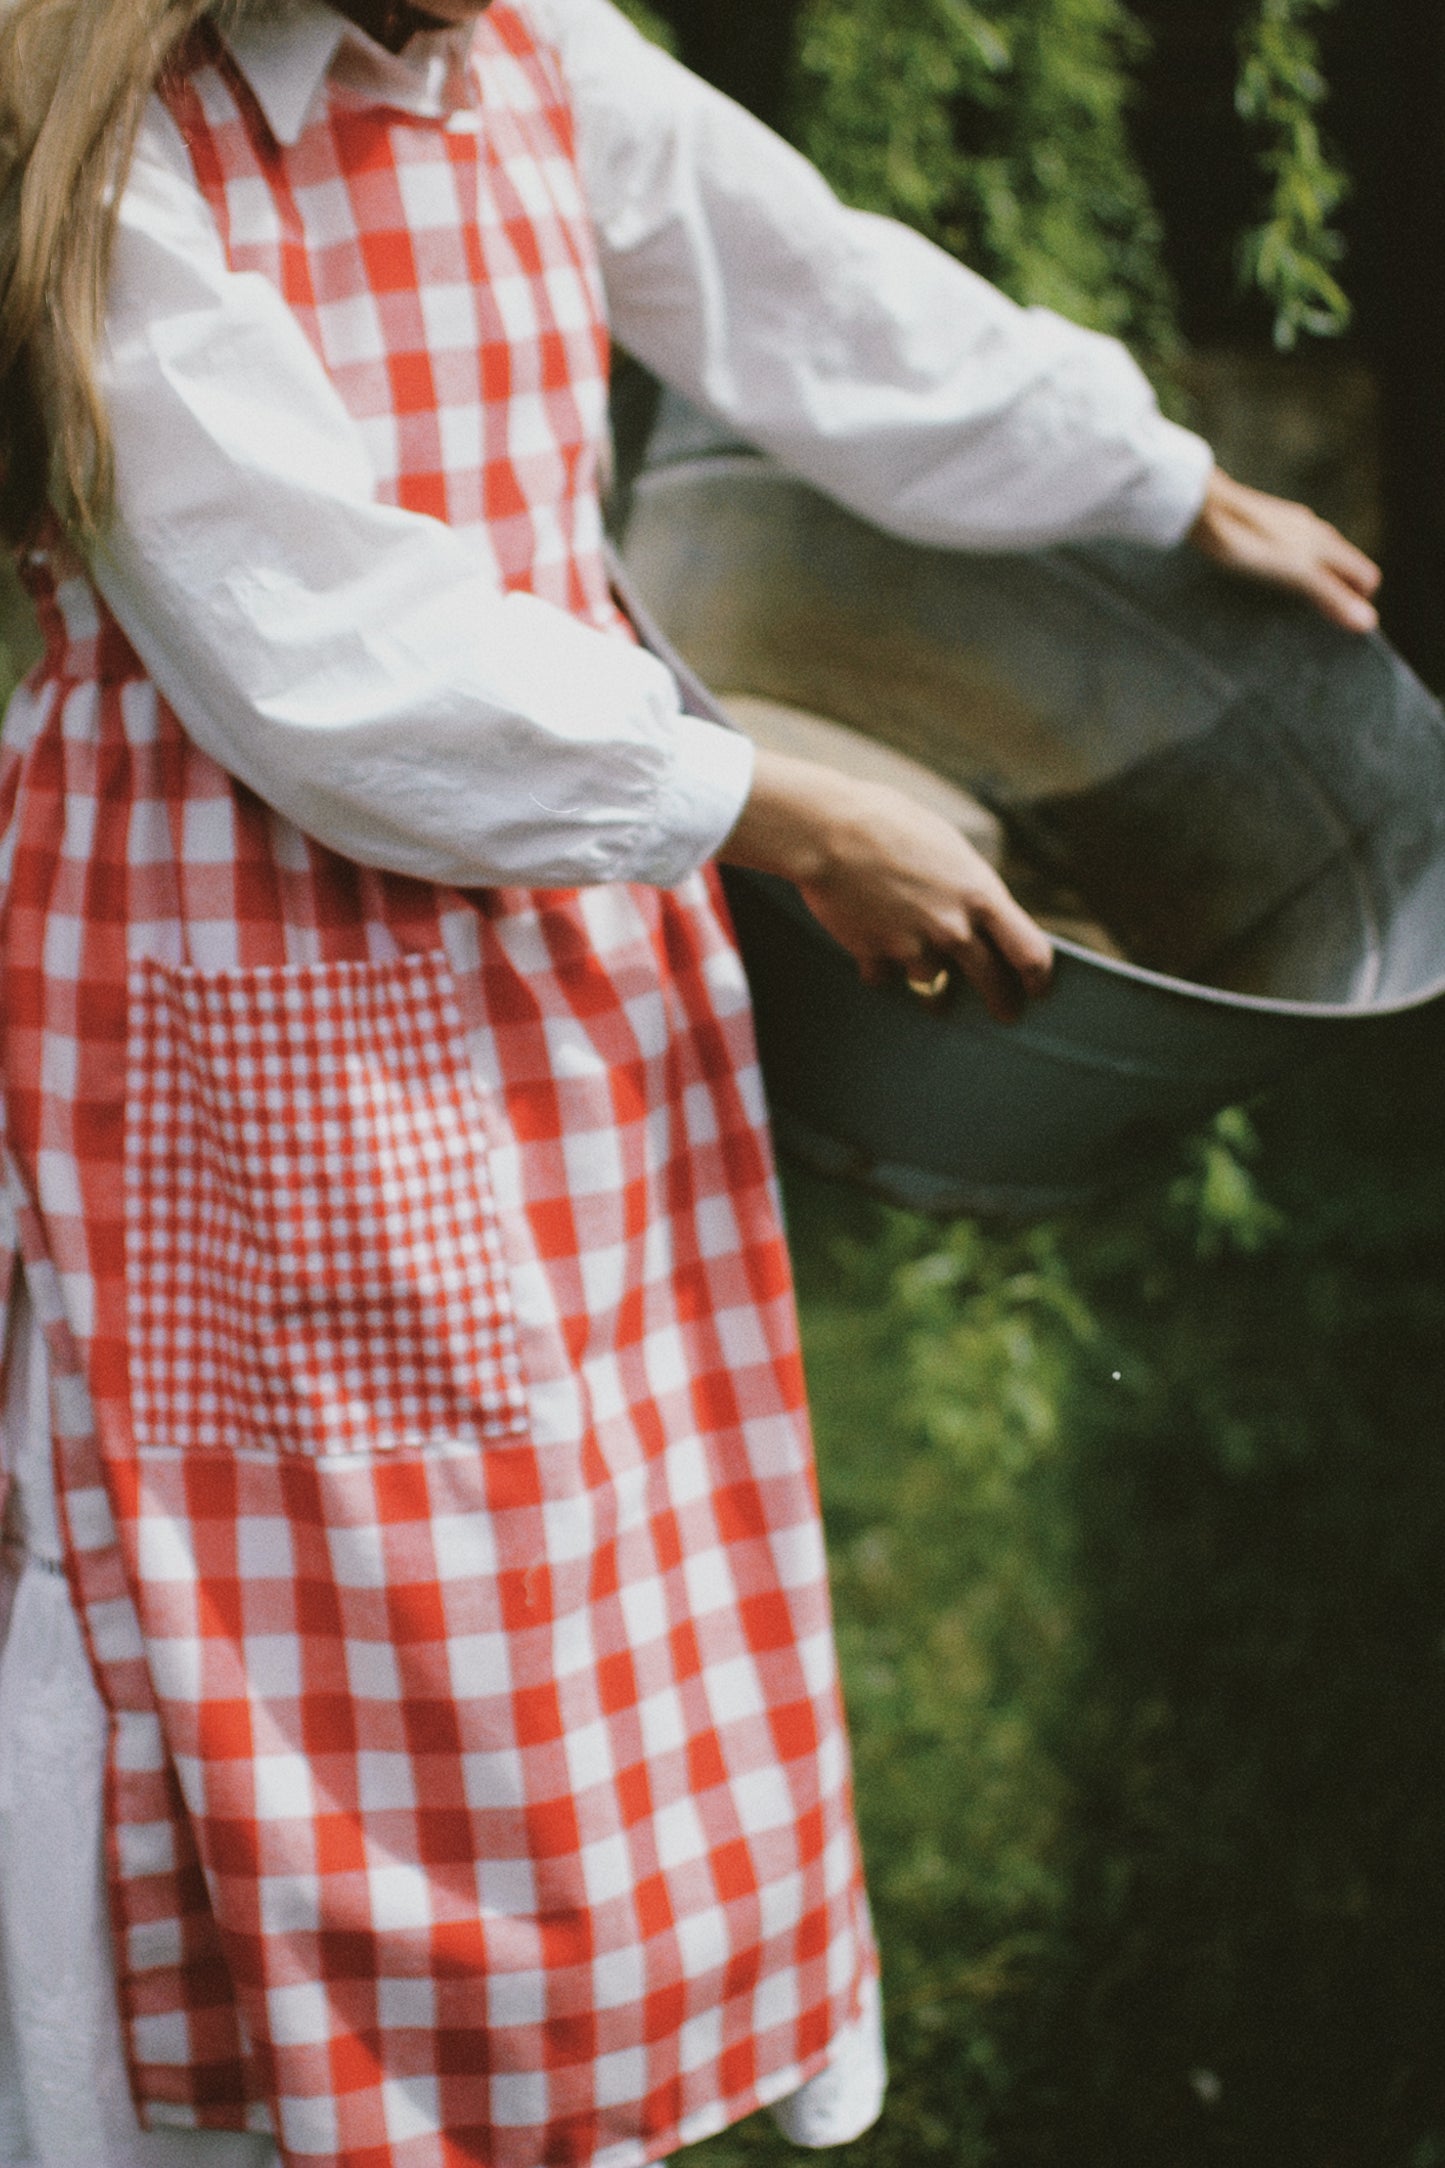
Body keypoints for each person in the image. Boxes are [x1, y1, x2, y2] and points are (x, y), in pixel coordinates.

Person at [0, 1, 1381, 2164]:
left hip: (549, 917)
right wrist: (778, 807)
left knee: (574, 1559)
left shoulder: (531, 52)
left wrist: (1156, 475)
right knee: (310, 1601)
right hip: (243, 958)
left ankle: (559, 2081)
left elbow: (805, 285)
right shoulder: (113, 146)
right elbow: (322, 646)